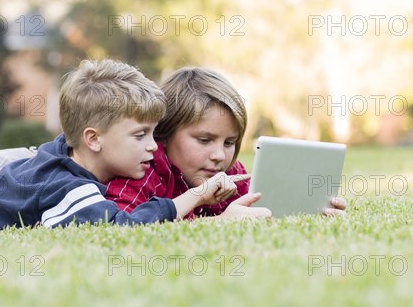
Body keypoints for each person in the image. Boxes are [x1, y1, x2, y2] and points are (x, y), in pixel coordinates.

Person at [0, 60, 246, 235]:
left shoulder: (69, 156)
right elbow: (120, 229)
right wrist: (197, 198)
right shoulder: (69, 186)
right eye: (140, 136)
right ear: (93, 139)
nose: (152, 148)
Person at [104, 67, 347, 219]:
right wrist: (218, 223)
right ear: (164, 136)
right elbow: (121, 223)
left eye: (229, 142)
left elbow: (266, 211)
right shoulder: (143, 171)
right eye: (204, 140)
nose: (220, 155)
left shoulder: (231, 173)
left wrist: (314, 212)